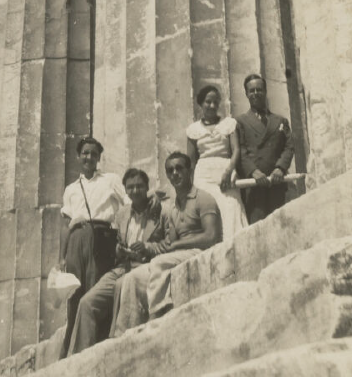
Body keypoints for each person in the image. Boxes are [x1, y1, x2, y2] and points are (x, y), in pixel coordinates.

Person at [112, 151, 221, 334]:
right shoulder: (174, 208)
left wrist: (177, 246)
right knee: (132, 278)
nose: (175, 174)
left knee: (159, 263)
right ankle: (124, 332)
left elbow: (211, 237)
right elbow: (167, 245)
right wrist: (145, 248)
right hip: (177, 256)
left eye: (179, 168)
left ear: (190, 171)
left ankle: (157, 319)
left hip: (200, 251)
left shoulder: (204, 198)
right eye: (170, 171)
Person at [68, 168, 167, 354]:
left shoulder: (159, 210)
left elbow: (167, 242)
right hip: (123, 266)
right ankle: (80, 358)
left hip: (146, 266)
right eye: (130, 188)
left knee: (122, 287)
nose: (135, 191)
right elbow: (118, 245)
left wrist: (147, 248)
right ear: (126, 190)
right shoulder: (122, 214)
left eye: (139, 186)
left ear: (147, 187)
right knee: (87, 302)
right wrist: (119, 251)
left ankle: (115, 348)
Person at [58, 136, 126, 359]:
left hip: (101, 236)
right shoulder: (71, 188)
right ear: (78, 156)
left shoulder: (110, 180)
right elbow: (65, 225)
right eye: (85, 153)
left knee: (96, 289)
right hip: (77, 239)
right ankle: (73, 349)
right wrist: (61, 257)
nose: (89, 157)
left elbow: (127, 203)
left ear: (99, 158)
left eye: (94, 154)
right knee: (76, 295)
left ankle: (97, 344)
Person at [186, 85, 247, 240]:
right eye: (208, 102)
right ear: (200, 104)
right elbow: (191, 161)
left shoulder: (228, 124)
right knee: (210, 211)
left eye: (215, 102)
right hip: (203, 176)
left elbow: (236, 151)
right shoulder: (193, 129)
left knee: (231, 208)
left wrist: (228, 171)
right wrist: (191, 187)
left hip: (226, 171)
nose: (212, 106)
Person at [235, 74, 295, 224]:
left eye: (259, 90)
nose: (256, 93)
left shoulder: (280, 120)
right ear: (246, 94)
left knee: (280, 225)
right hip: (253, 185)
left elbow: (289, 146)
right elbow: (240, 151)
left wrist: (280, 168)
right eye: (252, 90)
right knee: (257, 228)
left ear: (265, 91)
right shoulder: (240, 121)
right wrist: (253, 171)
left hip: (276, 183)